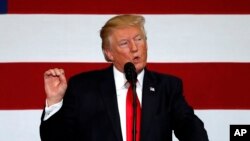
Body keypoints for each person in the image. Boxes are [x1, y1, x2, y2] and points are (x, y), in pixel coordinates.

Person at [40, 14, 209, 141]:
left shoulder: (167, 87)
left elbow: (191, 130)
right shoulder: (83, 87)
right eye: (124, 43)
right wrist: (54, 102)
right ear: (109, 53)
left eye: (139, 39)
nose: (135, 48)